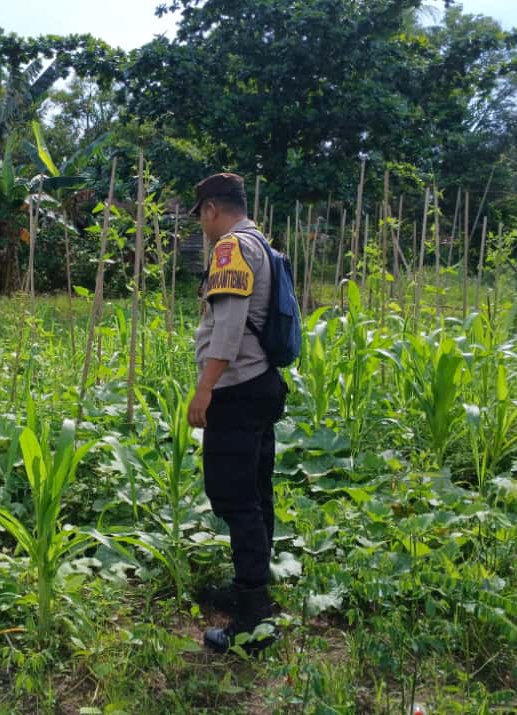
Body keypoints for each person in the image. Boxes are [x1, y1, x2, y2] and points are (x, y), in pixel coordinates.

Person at [187, 172, 288, 654]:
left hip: (237, 387)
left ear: (211, 209)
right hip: (263, 383)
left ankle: (251, 622)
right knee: (256, 492)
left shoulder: (230, 248)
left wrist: (203, 391)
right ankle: (257, 594)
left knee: (234, 498)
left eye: (201, 216)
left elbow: (226, 329)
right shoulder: (262, 243)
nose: (202, 226)